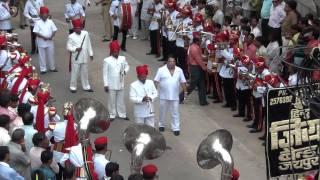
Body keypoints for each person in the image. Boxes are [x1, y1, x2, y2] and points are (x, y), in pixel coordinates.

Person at [154, 55, 187, 136]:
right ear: (167, 62)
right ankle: (161, 124)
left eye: (173, 61)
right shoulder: (161, 70)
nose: (172, 63)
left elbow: (183, 82)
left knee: (175, 112)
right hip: (163, 95)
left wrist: (185, 91)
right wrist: (154, 91)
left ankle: (176, 128)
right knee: (162, 111)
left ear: (175, 62)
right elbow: (156, 81)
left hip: (175, 96)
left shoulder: (179, 70)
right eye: (170, 61)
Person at [103, 40, 130, 121]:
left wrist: (125, 71)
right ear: (111, 51)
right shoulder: (107, 60)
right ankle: (112, 114)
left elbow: (127, 66)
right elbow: (105, 74)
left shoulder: (122, 58)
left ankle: (122, 114)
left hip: (120, 82)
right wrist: (105, 84)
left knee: (121, 100)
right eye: (114, 51)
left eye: (117, 51)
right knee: (111, 100)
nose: (116, 53)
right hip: (111, 84)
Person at [67, 19, 94, 93]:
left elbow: (89, 44)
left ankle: (86, 86)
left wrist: (91, 54)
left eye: (79, 28)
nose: (78, 29)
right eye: (76, 28)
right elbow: (68, 47)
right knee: (75, 73)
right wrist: (75, 49)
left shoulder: (86, 33)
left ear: (81, 27)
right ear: (74, 29)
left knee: (85, 73)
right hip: (76, 58)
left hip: (85, 57)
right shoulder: (71, 36)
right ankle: (73, 87)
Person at [33, 6, 58, 74]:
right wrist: (43, 37)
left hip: (50, 41)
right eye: (43, 15)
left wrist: (51, 36)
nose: (45, 16)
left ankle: (52, 67)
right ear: (40, 15)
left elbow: (54, 30)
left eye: (46, 14)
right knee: (42, 55)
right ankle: (43, 69)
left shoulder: (50, 21)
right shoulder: (38, 23)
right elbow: (35, 32)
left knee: (51, 54)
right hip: (41, 41)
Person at [186, 34, 208, 106]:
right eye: (200, 40)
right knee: (192, 85)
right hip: (196, 68)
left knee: (202, 85)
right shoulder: (194, 48)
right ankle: (180, 97)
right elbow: (198, 59)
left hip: (197, 67)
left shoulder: (194, 47)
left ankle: (203, 101)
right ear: (197, 41)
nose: (201, 41)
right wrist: (204, 68)